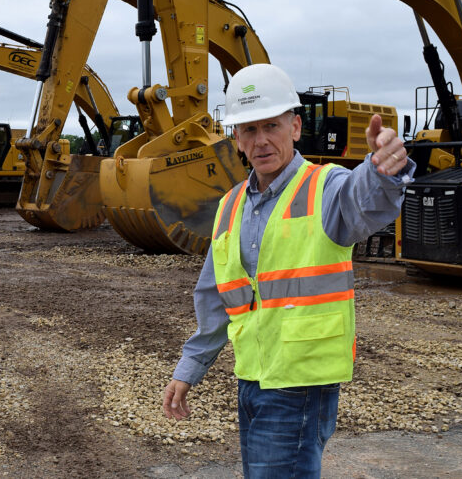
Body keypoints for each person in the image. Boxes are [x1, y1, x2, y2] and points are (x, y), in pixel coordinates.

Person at [161, 63, 415, 478]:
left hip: (300, 383)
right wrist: (188, 370)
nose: (261, 141)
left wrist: (384, 171)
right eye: (248, 130)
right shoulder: (230, 206)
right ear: (236, 139)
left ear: (295, 127)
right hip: (252, 378)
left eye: (272, 126)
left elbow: (365, 201)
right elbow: (216, 297)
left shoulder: (325, 187)